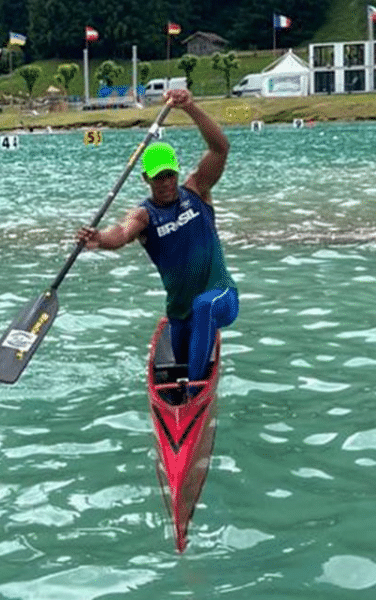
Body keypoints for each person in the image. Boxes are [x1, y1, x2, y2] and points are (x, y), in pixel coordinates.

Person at [77, 88, 238, 394]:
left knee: (204, 306)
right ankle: (186, 382)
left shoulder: (197, 191)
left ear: (176, 173)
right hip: (179, 313)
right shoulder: (144, 215)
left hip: (222, 297)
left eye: (169, 175)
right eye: (157, 177)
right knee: (182, 339)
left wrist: (191, 107)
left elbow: (220, 148)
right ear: (146, 179)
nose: (165, 183)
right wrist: (99, 238)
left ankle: (193, 392)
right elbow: (121, 233)